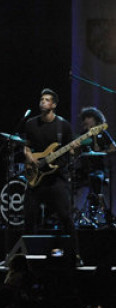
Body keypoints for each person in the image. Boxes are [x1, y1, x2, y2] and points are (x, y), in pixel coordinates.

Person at [21, 88, 81, 265]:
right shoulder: (31, 124)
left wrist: (74, 149)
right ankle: (25, 258)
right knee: (29, 215)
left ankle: (76, 255)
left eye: (47, 100)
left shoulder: (63, 126)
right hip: (36, 178)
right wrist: (30, 158)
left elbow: (73, 152)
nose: (43, 102)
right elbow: (26, 146)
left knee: (66, 216)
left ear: (54, 105)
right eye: (41, 99)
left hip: (56, 179)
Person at [76, 106, 115, 225]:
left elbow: (114, 147)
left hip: (98, 169)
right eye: (85, 118)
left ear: (95, 119)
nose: (86, 120)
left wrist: (102, 152)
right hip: (83, 169)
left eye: (89, 117)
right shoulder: (83, 135)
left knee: (95, 179)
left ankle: (97, 210)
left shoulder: (102, 133)